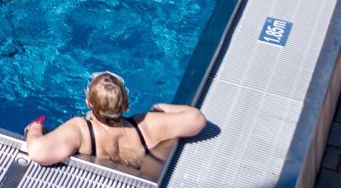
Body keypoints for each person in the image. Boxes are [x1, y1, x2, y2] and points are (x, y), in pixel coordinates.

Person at [21, 71, 206, 180]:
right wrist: (161, 108)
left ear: (88, 103)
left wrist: (35, 128)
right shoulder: (145, 125)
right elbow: (196, 119)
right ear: (126, 106)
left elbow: (38, 152)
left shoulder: (82, 130)